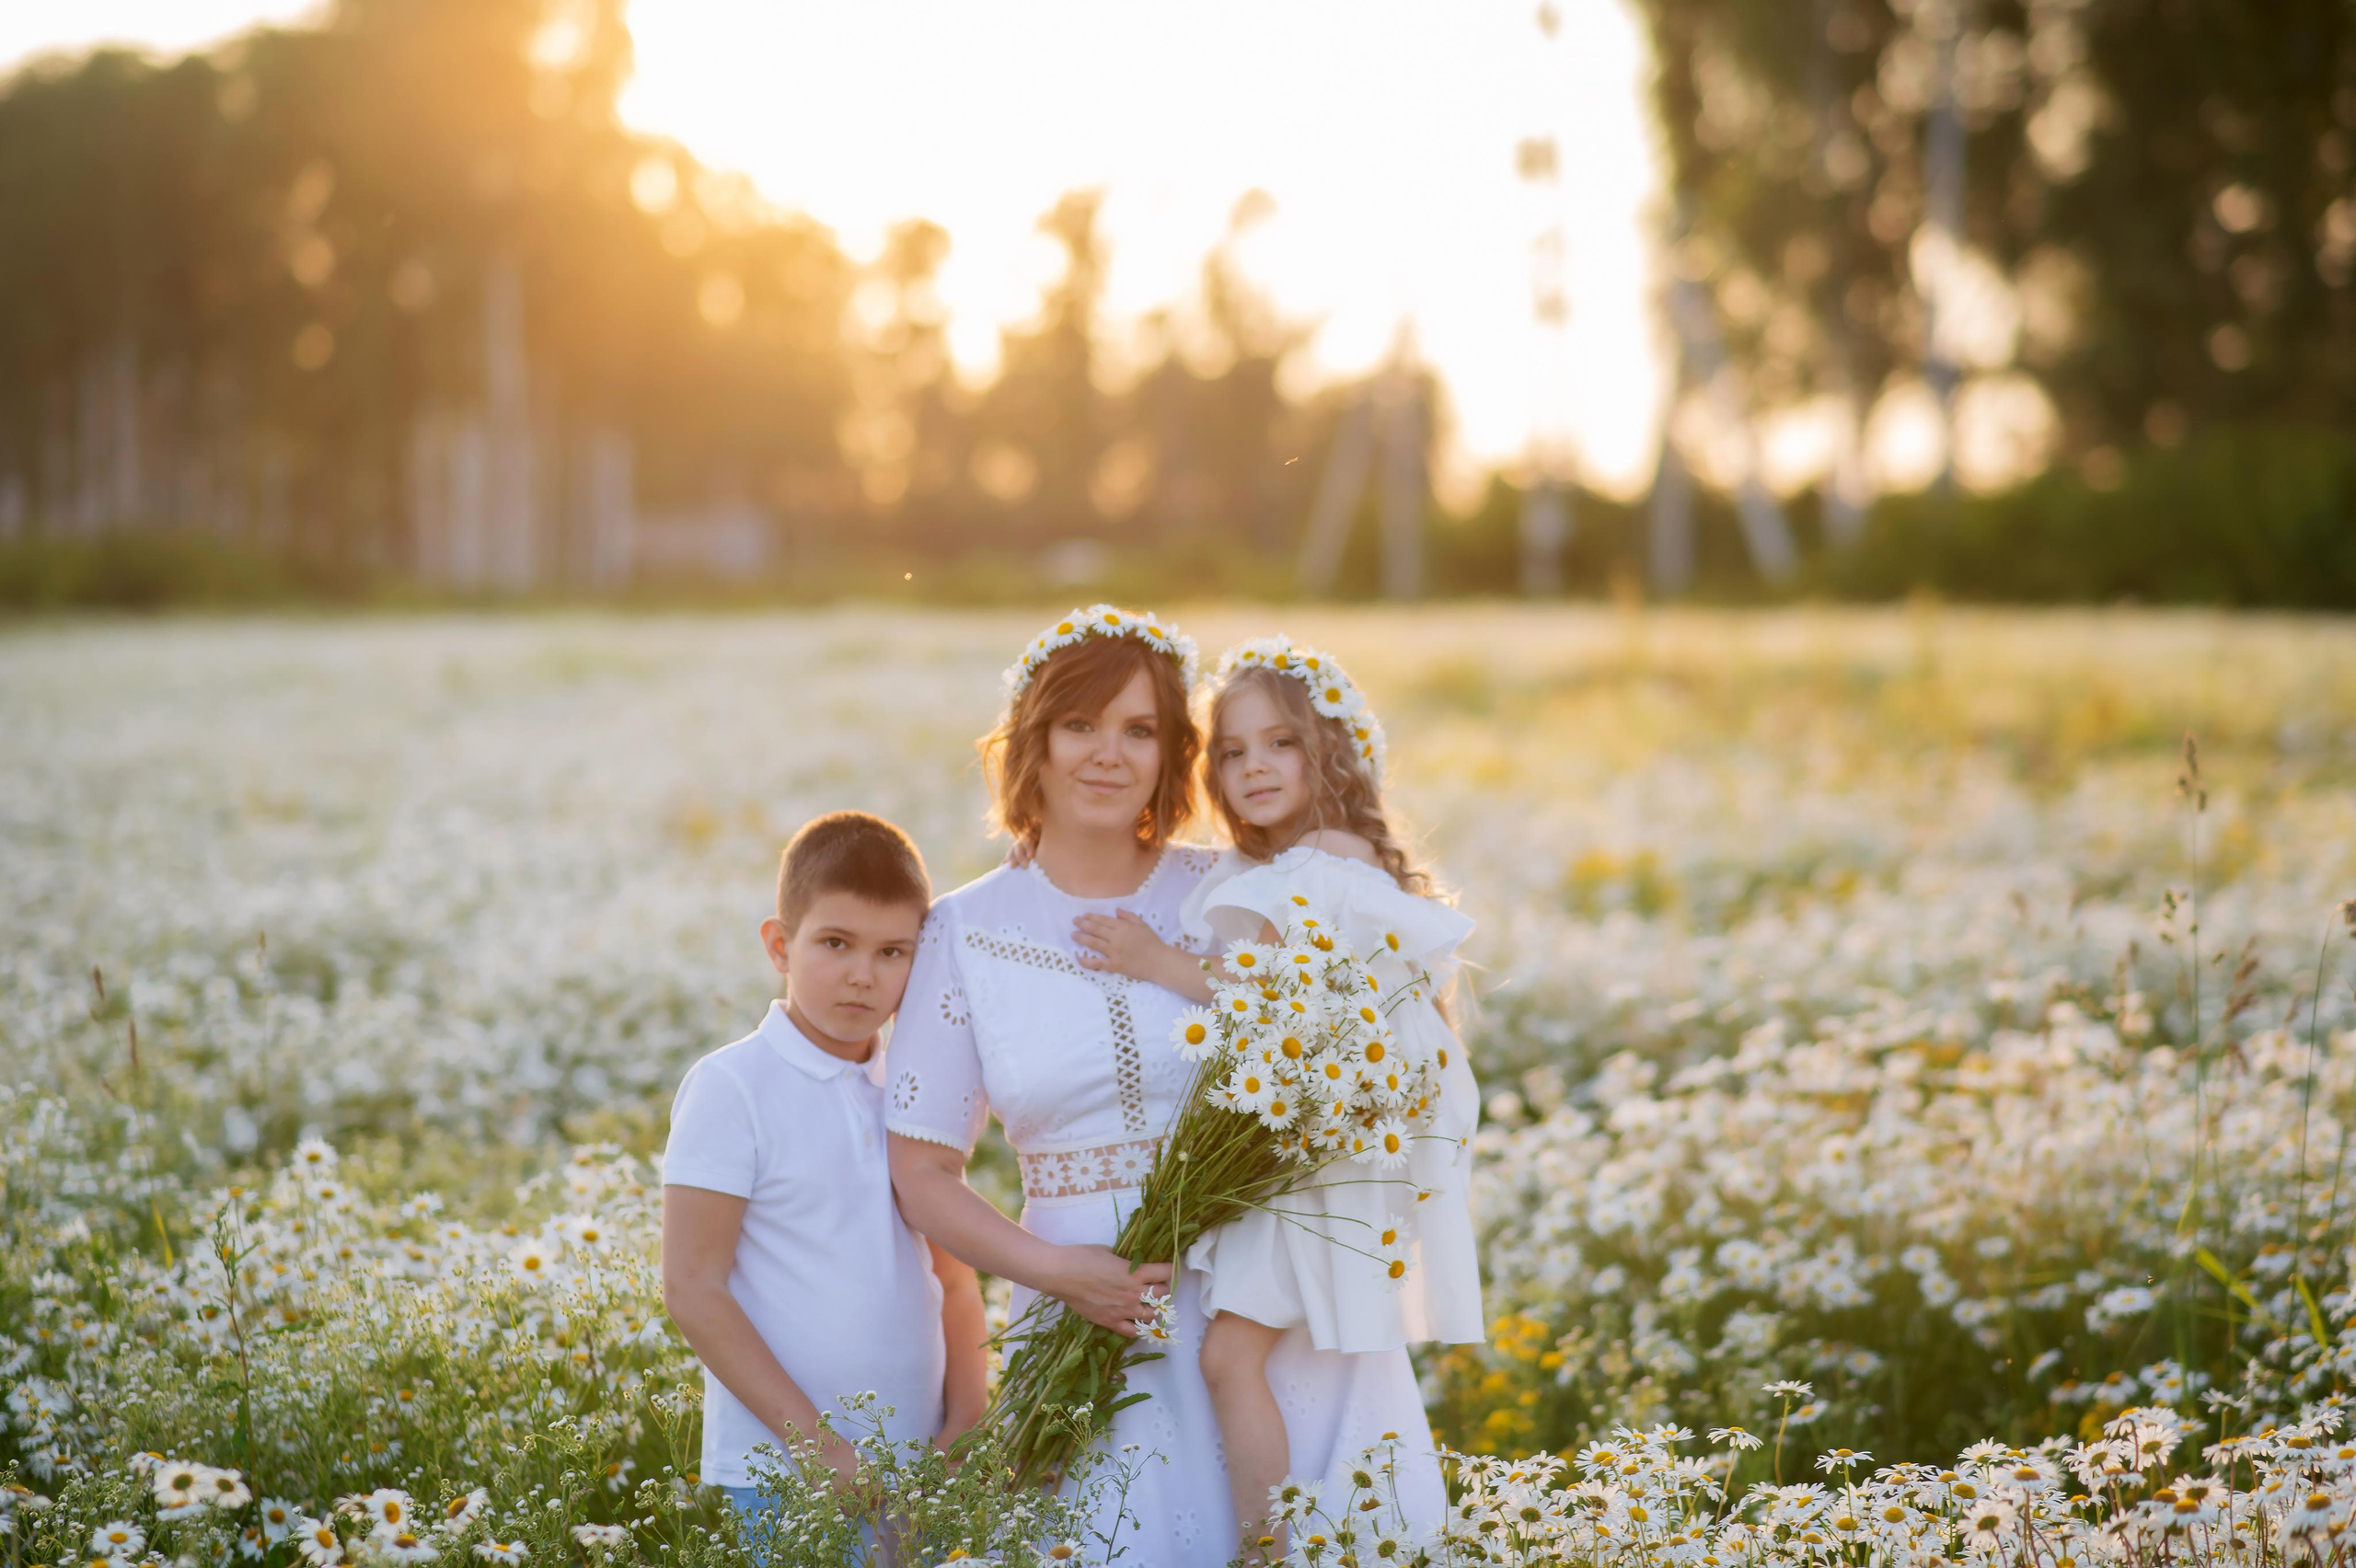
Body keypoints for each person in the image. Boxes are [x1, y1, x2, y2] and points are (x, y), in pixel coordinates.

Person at [885, 607, 1445, 1566]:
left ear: (1172, 752)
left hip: (1270, 1297)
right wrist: (1058, 1272)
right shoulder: (961, 931)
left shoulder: (1240, 884)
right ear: (1034, 743)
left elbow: (1362, 1008)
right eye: (1081, 726)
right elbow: (922, 1171)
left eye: (1140, 730)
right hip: (1085, 1304)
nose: (1109, 754)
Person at [1051, 637, 1484, 1557]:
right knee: (1242, 1354)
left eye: (1278, 744)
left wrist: (1151, 959)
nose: (1252, 768)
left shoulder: (1325, 858)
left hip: (1313, 1171)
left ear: (1327, 751)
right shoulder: (1314, 859)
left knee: (1225, 1354)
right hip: (1313, 1151)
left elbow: (1277, 995)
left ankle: (1264, 1545)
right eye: (1233, 751)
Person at [661, 811, 989, 1548]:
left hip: (923, 1463)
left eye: (892, 952)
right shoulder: (732, 1087)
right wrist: (820, 1453)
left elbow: (956, 1281)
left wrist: (967, 1419)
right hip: (787, 1472)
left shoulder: (916, 1084)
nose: (862, 974)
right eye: (835, 943)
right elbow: (693, 1287)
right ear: (780, 944)